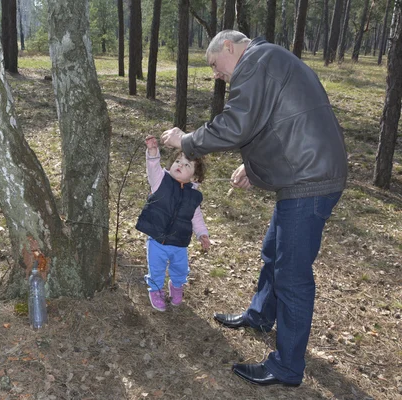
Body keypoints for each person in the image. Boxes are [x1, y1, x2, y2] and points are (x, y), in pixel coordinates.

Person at [161, 30, 347, 387]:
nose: (215, 74)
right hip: (306, 172)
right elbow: (278, 119)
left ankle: (286, 368)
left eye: (215, 64)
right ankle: (261, 315)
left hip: (308, 180)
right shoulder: (269, 60)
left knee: (292, 275)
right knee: (273, 252)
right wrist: (254, 167)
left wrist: (186, 141)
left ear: (229, 48)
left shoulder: (256, 62)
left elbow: (236, 124)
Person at [136, 135, 211, 312]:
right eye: (178, 161)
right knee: (156, 269)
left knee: (180, 268)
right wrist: (153, 152)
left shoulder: (193, 196)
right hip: (157, 239)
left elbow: (196, 217)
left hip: (179, 242)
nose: (180, 165)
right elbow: (153, 169)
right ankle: (155, 290)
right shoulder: (161, 181)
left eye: (187, 165)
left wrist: (202, 234)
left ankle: (176, 286)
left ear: (194, 178)